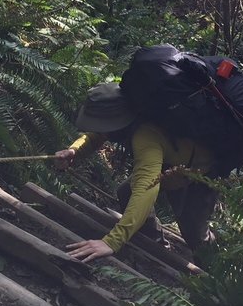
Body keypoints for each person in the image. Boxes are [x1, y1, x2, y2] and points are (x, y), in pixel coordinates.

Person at [54, 82, 219, 263]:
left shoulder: (145, 135)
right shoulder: (129, 116)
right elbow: (96, 136)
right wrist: (74, 151)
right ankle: (156, 247)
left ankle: (215, 277)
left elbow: (146, 188)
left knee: (194, 232)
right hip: (171, 163)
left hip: (199, 172)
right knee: (126, 192)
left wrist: (111, 242)